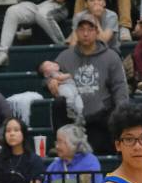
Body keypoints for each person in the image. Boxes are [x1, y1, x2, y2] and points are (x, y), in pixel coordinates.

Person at [49, 12, 129, 155]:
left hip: (100, 118)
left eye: (90, 29)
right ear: (76, 32)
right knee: (58, 103)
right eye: (81, 29)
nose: (85, 34)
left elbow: (120, 87)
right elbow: (48, 73)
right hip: (72, 116)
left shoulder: (111, 57)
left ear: (97, 32)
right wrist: (50, 81)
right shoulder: (65, 57)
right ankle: (61, 143)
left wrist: (121, 115)